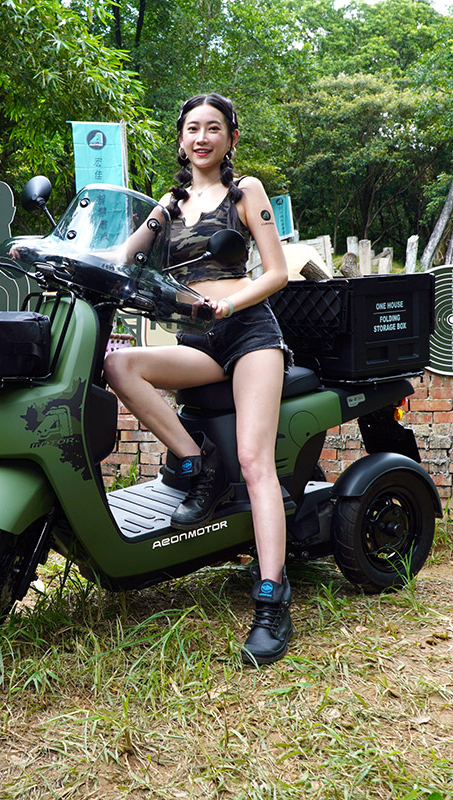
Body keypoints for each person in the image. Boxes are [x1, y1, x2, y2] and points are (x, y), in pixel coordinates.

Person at [104, 93, 294, 667]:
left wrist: (231, 304)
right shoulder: (169, 203)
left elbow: (278, 272)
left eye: (213, 128)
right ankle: (197, 462)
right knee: (119, 364)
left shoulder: (246, 192)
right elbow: (122, 255)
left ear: (231, 137)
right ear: (181, 140)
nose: (202, 137)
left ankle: (271, 600)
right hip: (197, 340)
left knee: (256, 462)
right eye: (192, 129)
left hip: (249, 333)